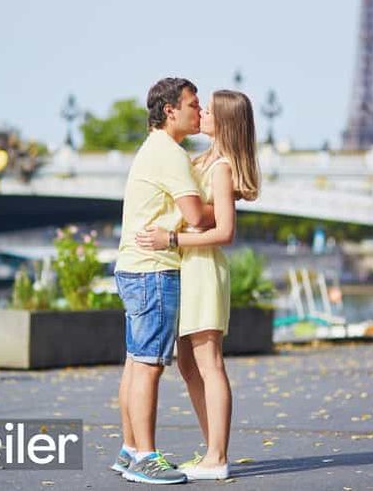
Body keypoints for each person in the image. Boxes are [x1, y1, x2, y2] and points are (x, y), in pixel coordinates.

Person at [136, 90, 260, 481]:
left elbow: (225, 232)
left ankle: (218, 456)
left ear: (223, 121)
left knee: (209, 364)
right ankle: (211, 451)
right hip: (189, 268)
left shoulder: (220, 167)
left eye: (208, 109)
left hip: (204, 269)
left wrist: (171, 240)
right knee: (189, 364)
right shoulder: (200, 160)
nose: (201, 113)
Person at [111, 77, 215, 485]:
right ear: (170, 110)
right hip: (154, 267)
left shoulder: (153, 149)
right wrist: (227, 199)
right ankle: (145, 457)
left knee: (136, 362)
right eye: (192, 104)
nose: (198, 110)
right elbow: (198, 217)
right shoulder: (170, 153)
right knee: (150, 365)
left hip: (134, 266)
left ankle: (130, 449)